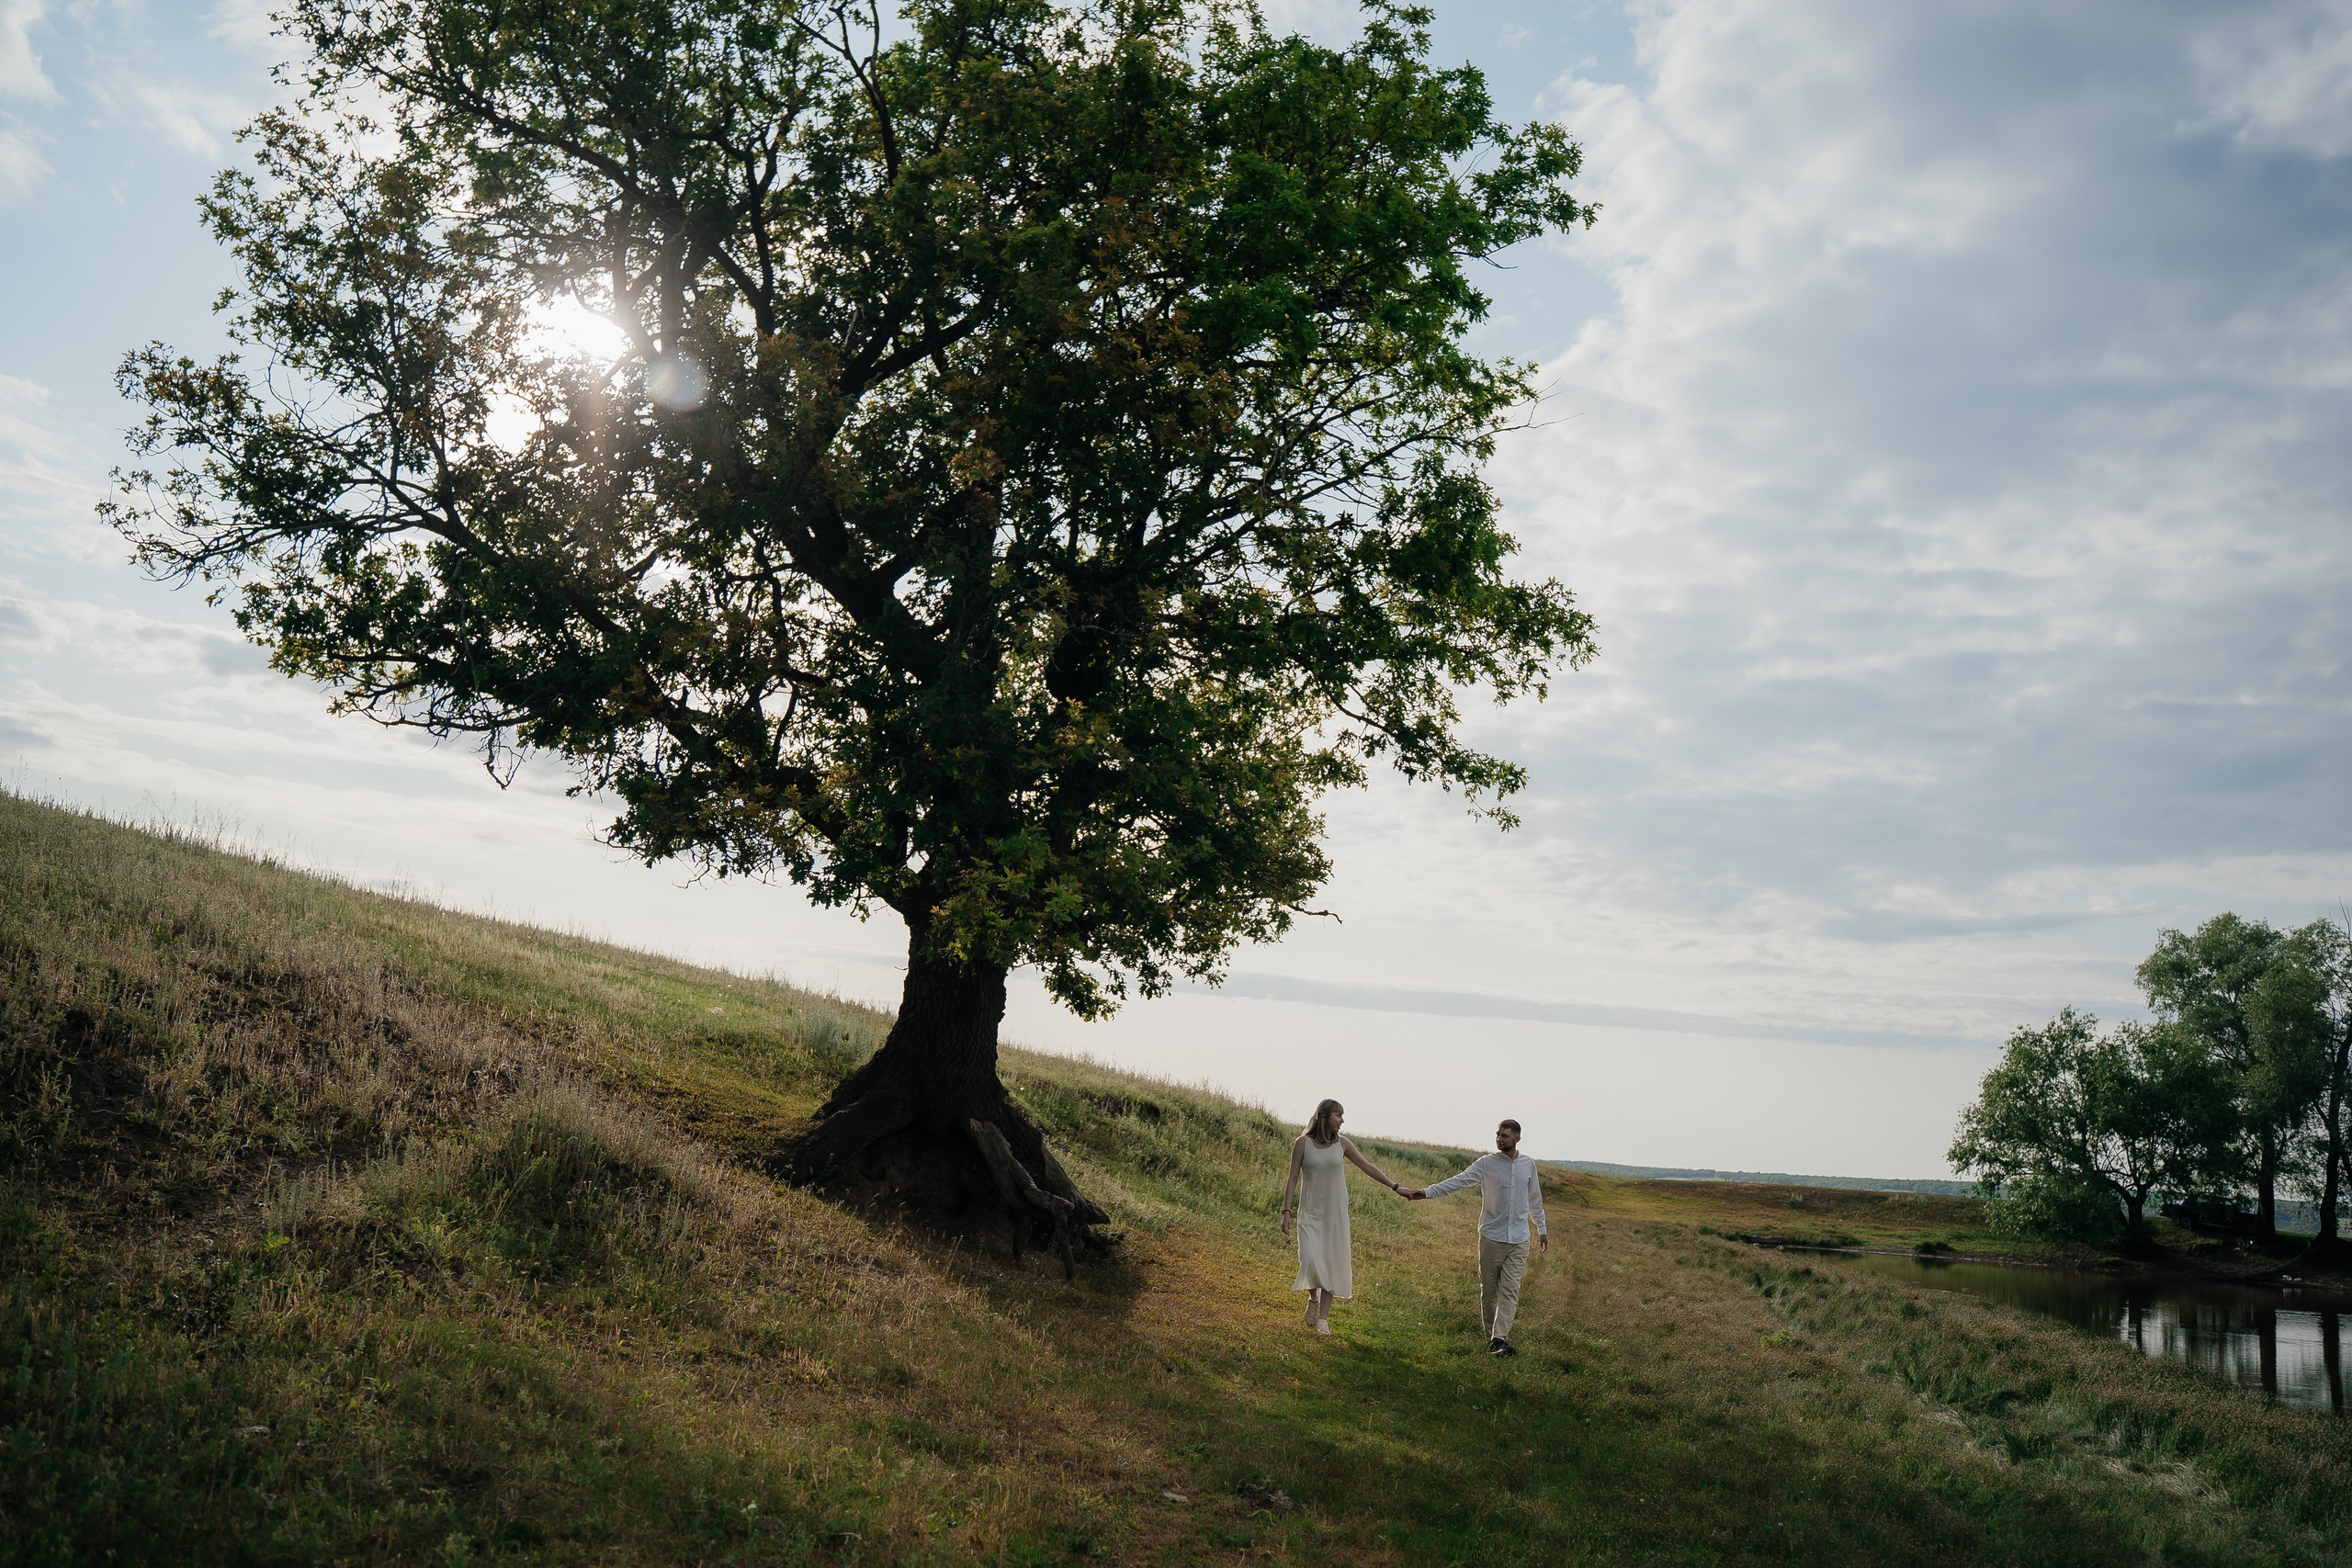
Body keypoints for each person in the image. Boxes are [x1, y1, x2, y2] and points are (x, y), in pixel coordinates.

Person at [1403, 1118, 1548, 1356]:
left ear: (1517, 1138)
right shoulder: (1486, 1164)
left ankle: (1499, 1339)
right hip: (1491, 1237)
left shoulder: (1527, 1164)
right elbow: (1457, 1182)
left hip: (1519, 1240)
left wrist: (1541, 1228)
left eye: (1505, 1136)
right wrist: (1427, 1193)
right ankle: (1490, 1337)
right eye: (1498, 1134)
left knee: (1510, 1290)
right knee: (1490, 1292)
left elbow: (1535, 1200)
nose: (1499, 1139)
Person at [1280, 1099, 1408, 1334]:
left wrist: (1396, 1187)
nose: (1342, 1120)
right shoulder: (1302, 1144)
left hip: (1335, 1214)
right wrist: (1286, 1211)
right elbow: (1292, 1179)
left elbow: (1368, 1167)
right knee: (1308, 1258)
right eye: (1338, 1115)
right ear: (1324, 1116)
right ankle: (1313, 1298)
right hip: (1310, 1212)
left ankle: (1323, 1320)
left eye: (1342, 1116)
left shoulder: (1343, 1144)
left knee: (1331, 1261)